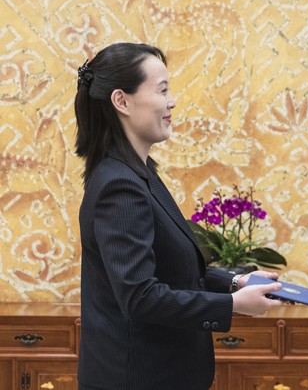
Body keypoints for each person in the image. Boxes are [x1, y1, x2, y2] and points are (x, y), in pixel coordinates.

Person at [74, 42, 283, 390]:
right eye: (163, 90)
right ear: (122, 101)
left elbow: (168, 271)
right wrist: (231, 305)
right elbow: (140, 297)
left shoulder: (140, 174)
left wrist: (234, 282)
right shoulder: (120, 186)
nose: (172, 102)